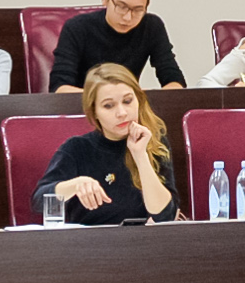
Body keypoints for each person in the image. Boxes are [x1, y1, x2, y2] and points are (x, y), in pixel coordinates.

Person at [34, 66, 180, 225]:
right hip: (91, 238)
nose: (122, 113)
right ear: (94, 112)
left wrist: (140, 156)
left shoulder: (154, 142)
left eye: (127, 101)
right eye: (108, 106)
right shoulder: (77, 148)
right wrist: (75, 185)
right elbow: (39, 201)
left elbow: (165, 216)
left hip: (142, 238)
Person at [50, 0, 185, 91]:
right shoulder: (77, 28)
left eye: (138, 9)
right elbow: (59, 87)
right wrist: (109, 99)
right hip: (83, 104)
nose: (127, 17)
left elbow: (175, 81)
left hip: (129, 105)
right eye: (121, 6)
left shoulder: (152, 27)